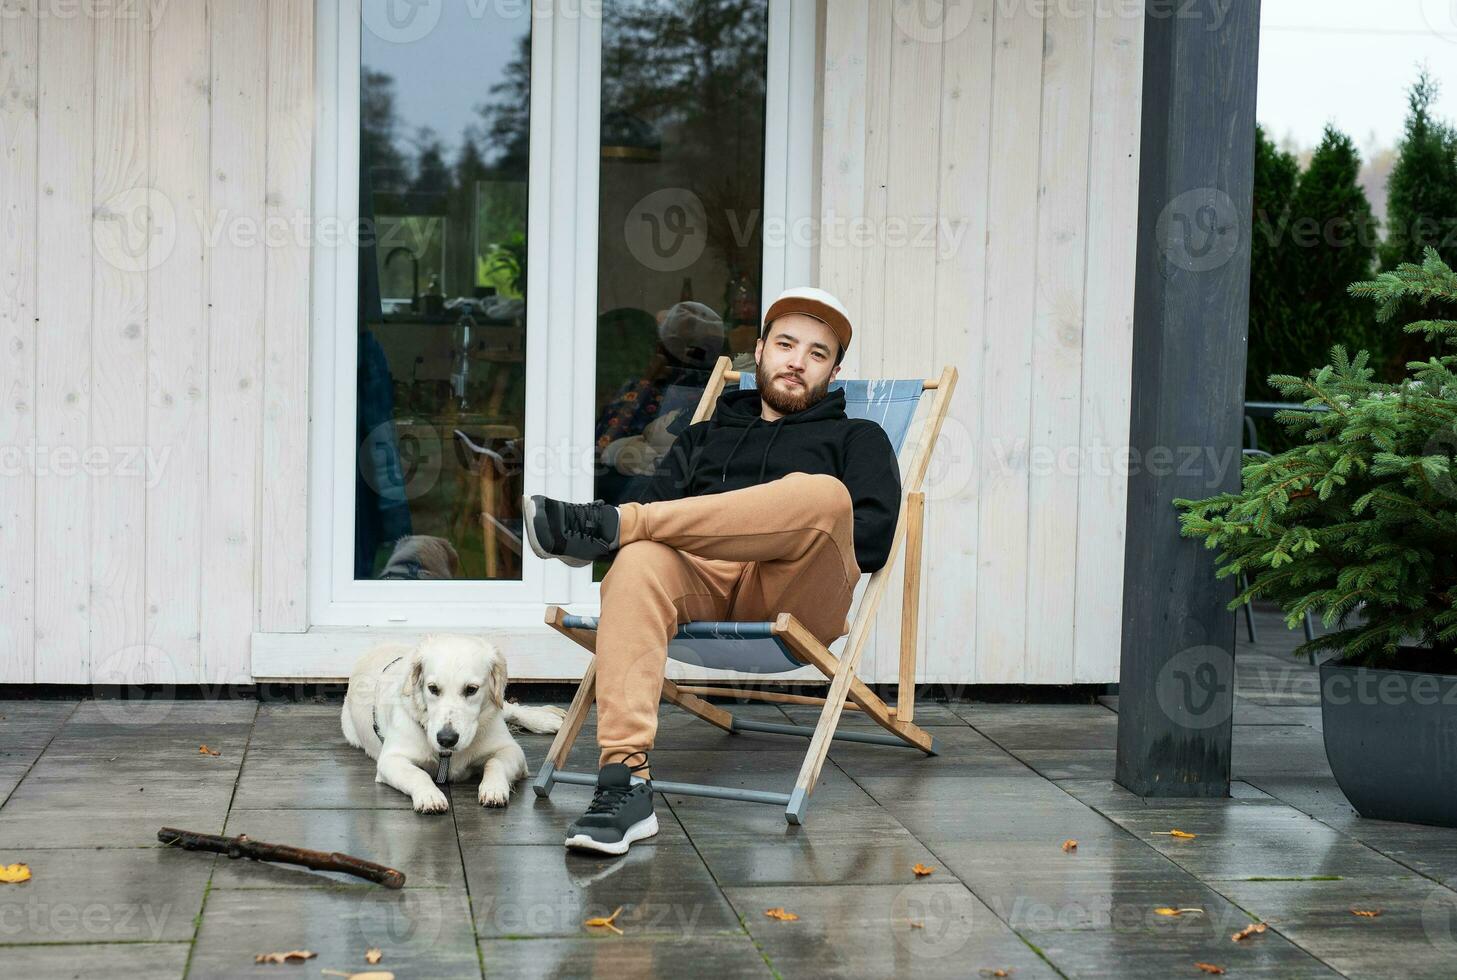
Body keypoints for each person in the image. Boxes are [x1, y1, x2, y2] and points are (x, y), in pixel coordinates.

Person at [523, 286, 901, 856]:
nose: (798, 361)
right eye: (786, 344)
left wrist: (785, 510)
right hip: (704, 586)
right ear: (760, 352)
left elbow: (870, 542)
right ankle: (624, 786)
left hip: (795, 594)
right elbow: (663, 529)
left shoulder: (857, 437)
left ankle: (607, 524)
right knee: (640, 556)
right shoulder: (704, 436)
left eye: (817, 353)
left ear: (835, 370)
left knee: (821, 496)